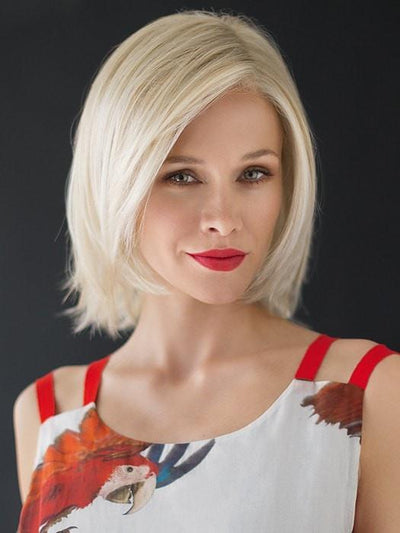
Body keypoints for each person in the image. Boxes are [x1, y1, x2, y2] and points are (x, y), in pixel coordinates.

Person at [13, 8, 400, 533]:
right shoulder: (50, 414)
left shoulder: (369, 390)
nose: (223, 218)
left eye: (254, 173)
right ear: (116, 182)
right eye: (182, 176)